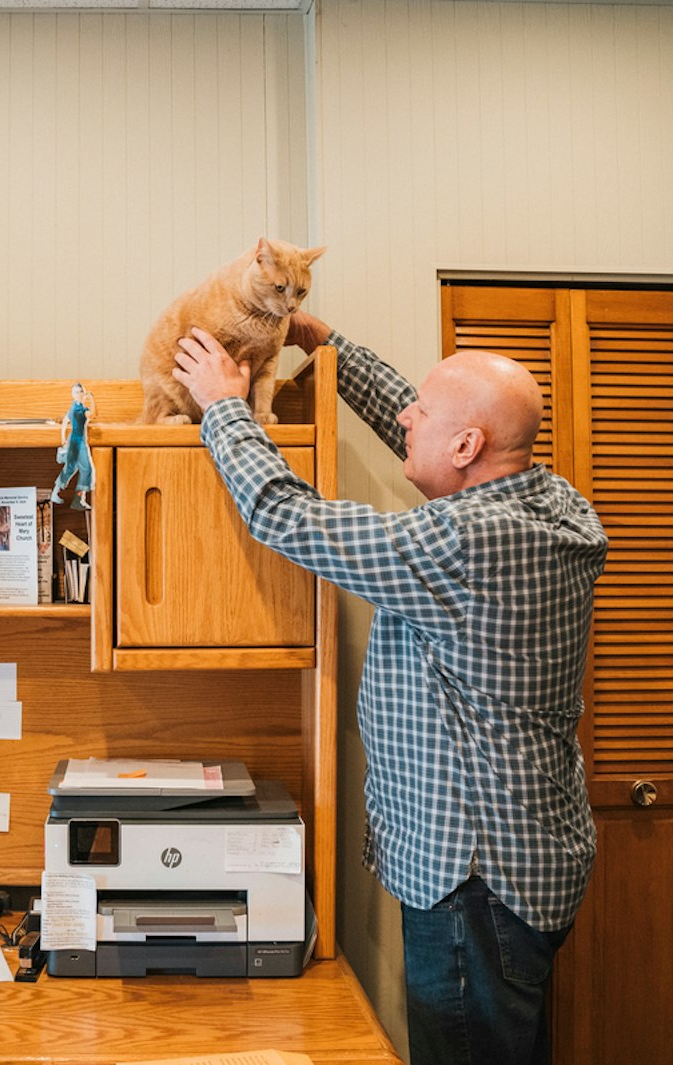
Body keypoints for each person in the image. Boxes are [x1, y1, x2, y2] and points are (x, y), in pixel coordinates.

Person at [172, 312, 607, 1065]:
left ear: (468, 446)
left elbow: (287, 515)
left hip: (474, 885)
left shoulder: (464, 544)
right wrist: (329, 348)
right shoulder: (553, 503)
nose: (407, 415)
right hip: (530, 860)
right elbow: (437, 426)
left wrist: (222, 408)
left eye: (423, 415)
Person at [53, 381, 95, 509]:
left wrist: (63, 438)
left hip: (75, 440)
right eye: (77, 392)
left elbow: (65, 421)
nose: (80, 394)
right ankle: (78, 499)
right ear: (73, 394)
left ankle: (57, 493)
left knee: (71, 468)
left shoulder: (76, 407)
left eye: (81, 391)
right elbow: (94, 415)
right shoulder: (78, 409)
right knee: (86, 469)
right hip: (78, 442)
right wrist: (92, 399)